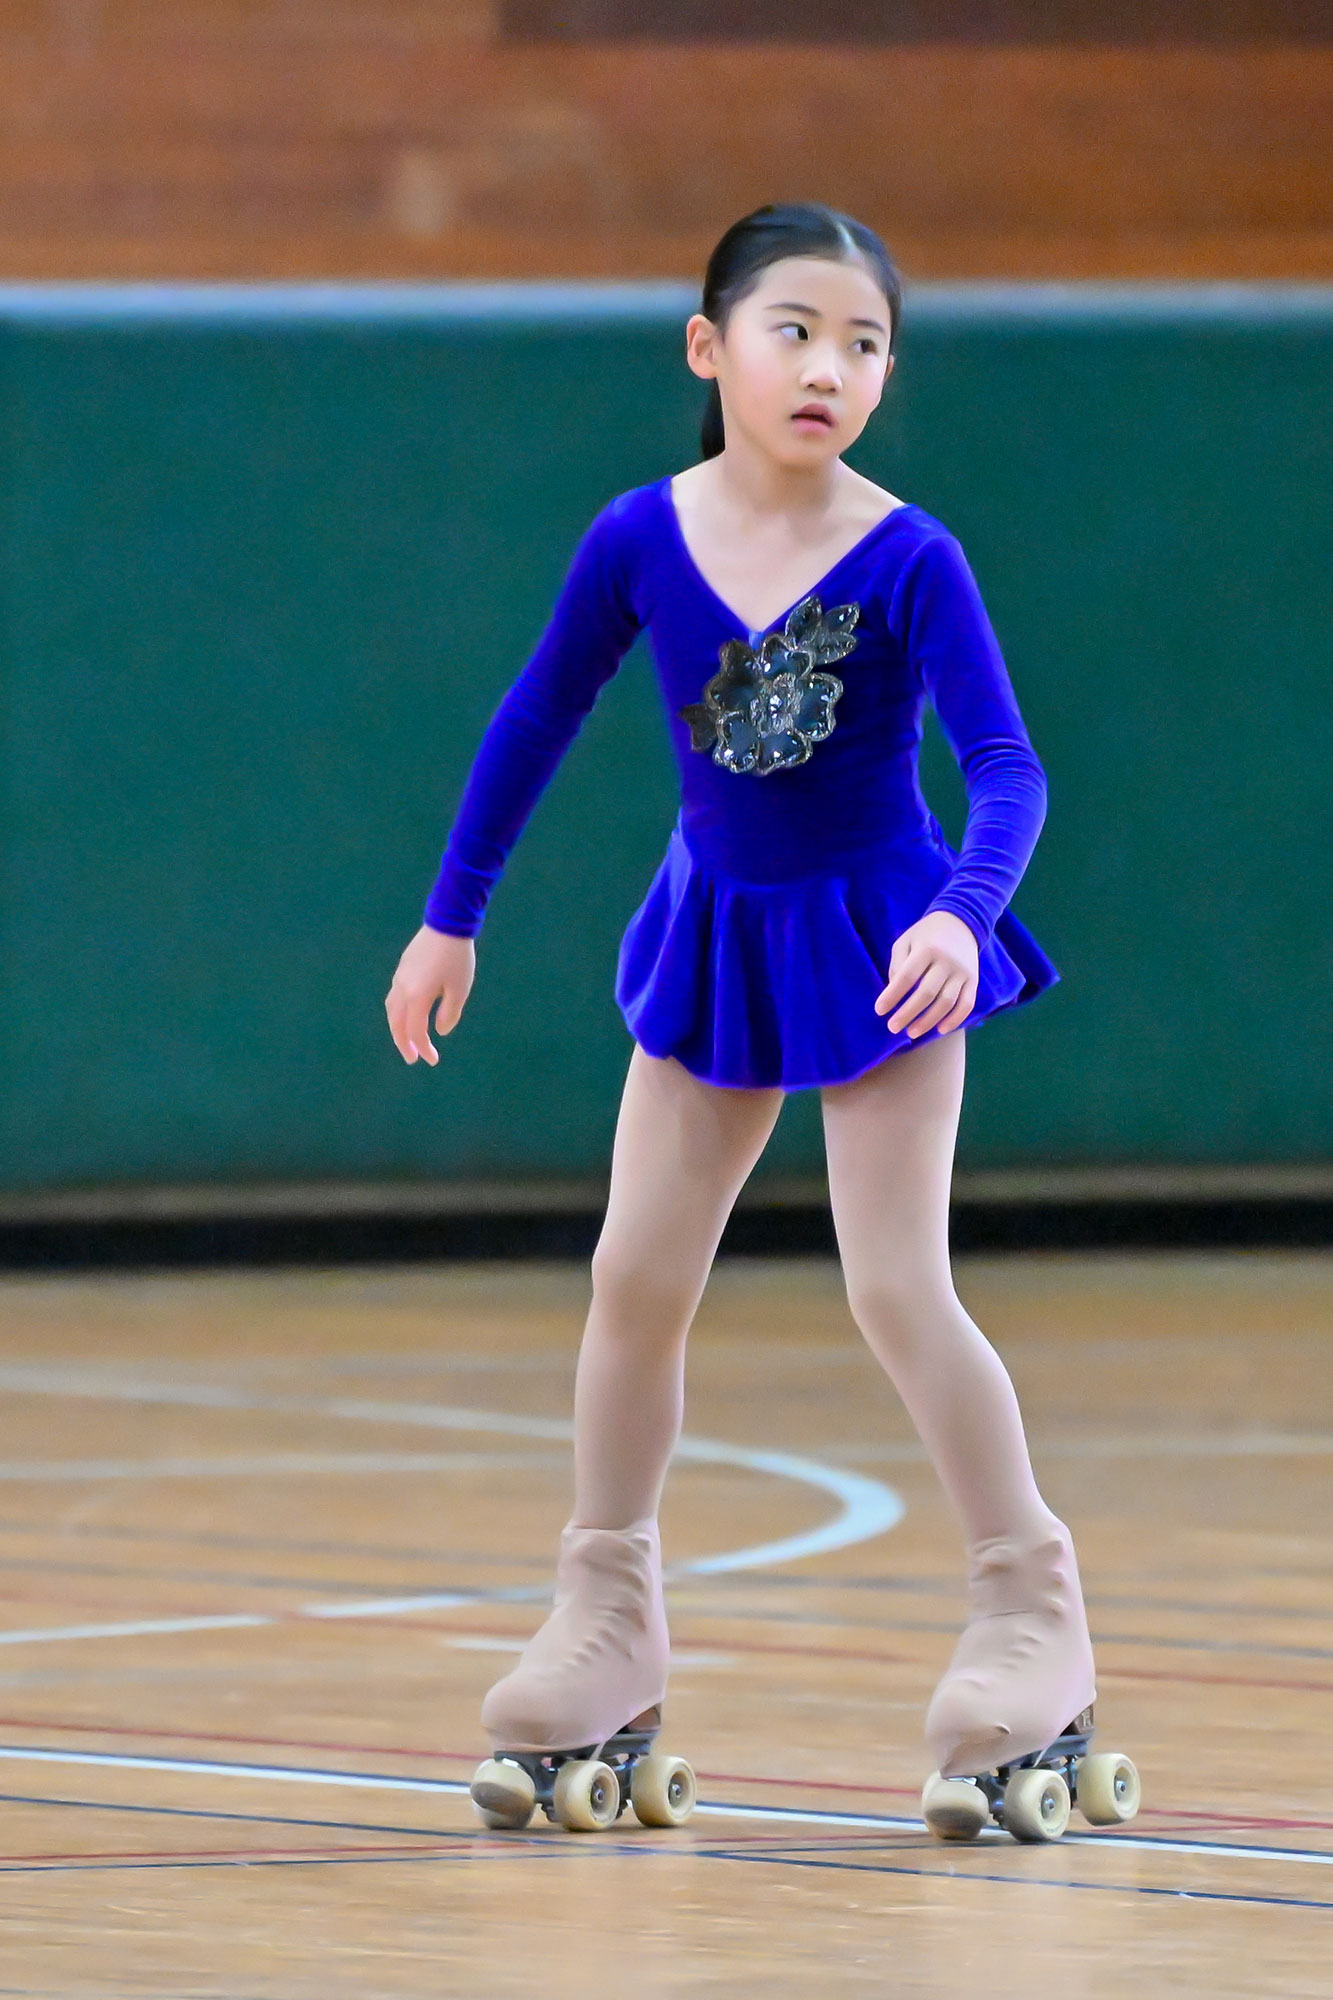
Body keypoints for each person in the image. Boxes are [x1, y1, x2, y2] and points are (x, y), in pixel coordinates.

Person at [385, 200, 1101, 1829]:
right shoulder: (639, 536)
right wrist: (450, 917)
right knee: (632, 1280)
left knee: (896, 1288)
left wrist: (958, 911)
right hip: (713, 931)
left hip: (881, 940)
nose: (829, 367)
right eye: (796, 330)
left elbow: (1005, 765)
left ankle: (1029, 1607)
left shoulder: (910, 554)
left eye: (864, 342)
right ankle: (605, 1613)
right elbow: (535, 714)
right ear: (708, 348)